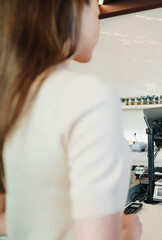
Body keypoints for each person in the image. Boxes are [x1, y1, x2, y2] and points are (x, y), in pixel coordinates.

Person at [0, 0, 142, 239]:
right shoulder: (89, 97)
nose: (98, 11)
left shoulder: (10, 99)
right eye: (93, 5)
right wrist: (128, 235)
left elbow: (10, 215)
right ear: (72, 9)